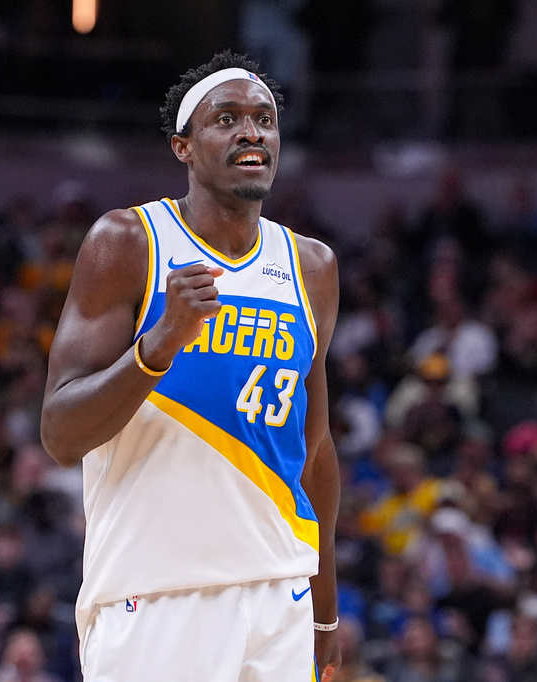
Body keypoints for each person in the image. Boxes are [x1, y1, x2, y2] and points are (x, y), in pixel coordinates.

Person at [40, 51, 342, 681]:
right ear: (183, 146)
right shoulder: (127, 242)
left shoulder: (312, 265)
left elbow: (314, 453)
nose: (251, 132)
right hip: (155, 595)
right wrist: (158, 346)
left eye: (263, 119)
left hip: (279, 593)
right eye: (226, 119)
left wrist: (324, 613)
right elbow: (60, 434)